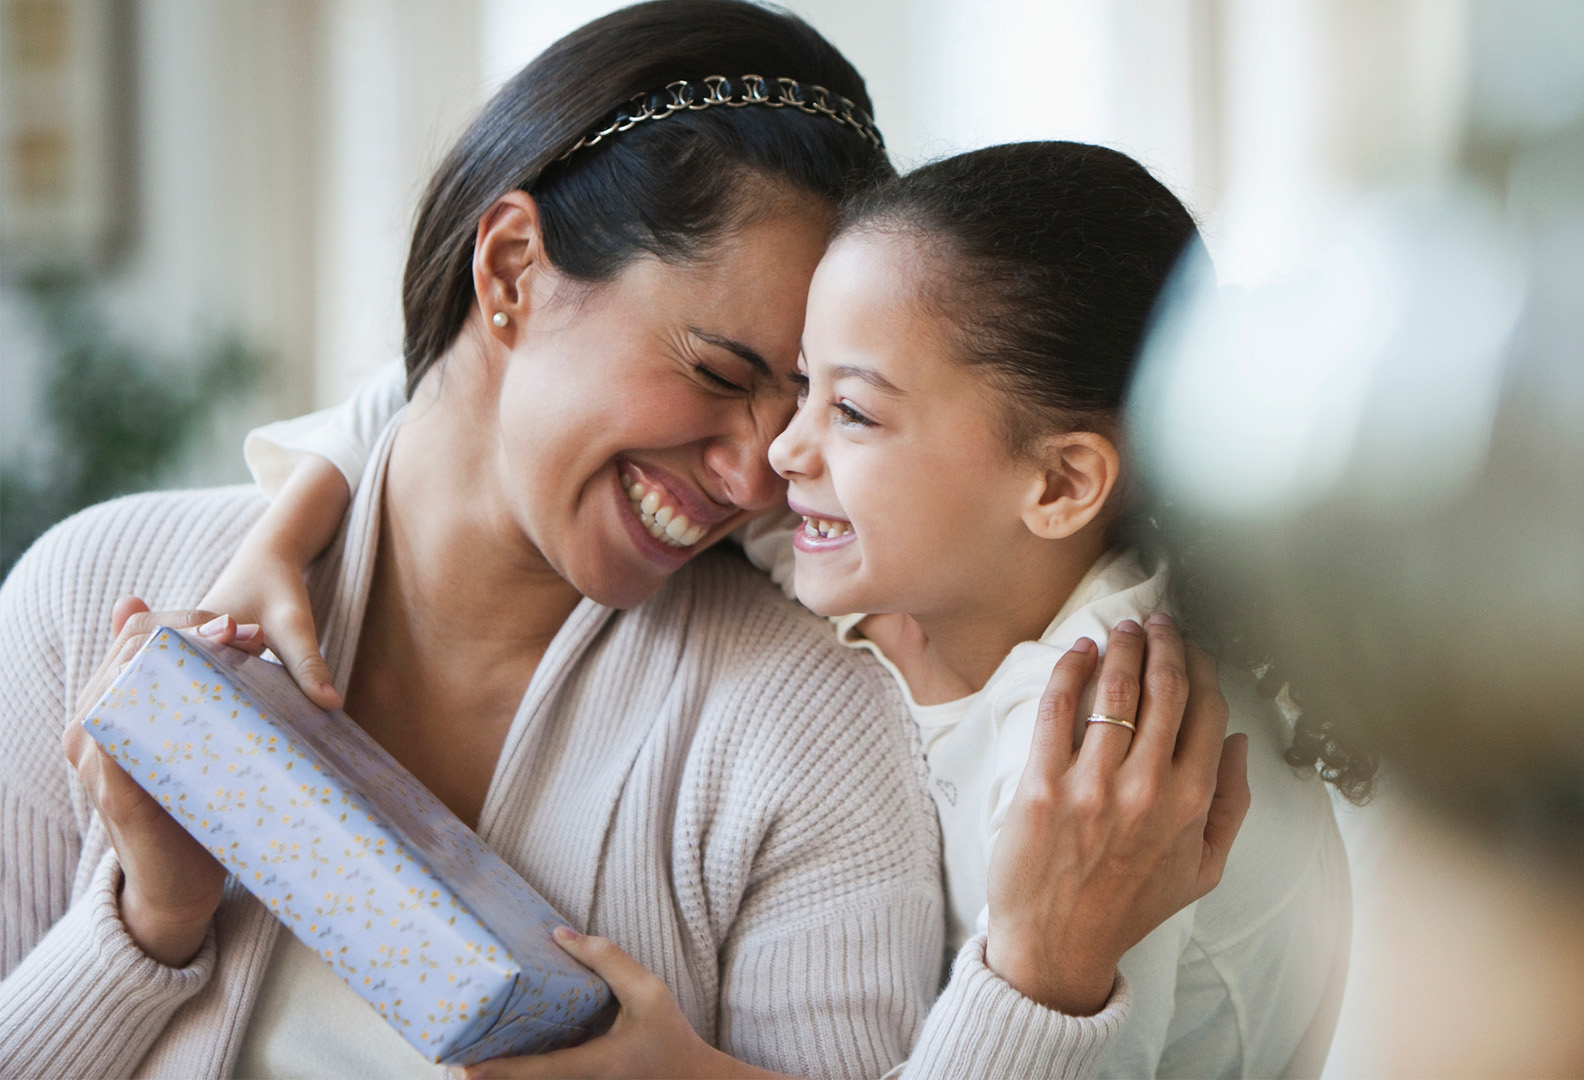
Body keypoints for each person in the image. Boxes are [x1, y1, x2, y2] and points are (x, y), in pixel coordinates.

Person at [0, 4, 1246, 1078]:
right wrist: (149, 921)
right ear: (512, 272)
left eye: (821, 395)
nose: (767, 465)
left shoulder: (807, 726)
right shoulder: (91, 597)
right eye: (720, 370)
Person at [223, 143, 1354, 1078]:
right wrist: (287, 526)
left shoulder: (1112, 758)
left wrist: (682, 1072)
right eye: (792, 382)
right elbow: (458, 397)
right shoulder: (871, 539)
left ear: (1057, 485)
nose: (777, 449)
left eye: (850, 409)